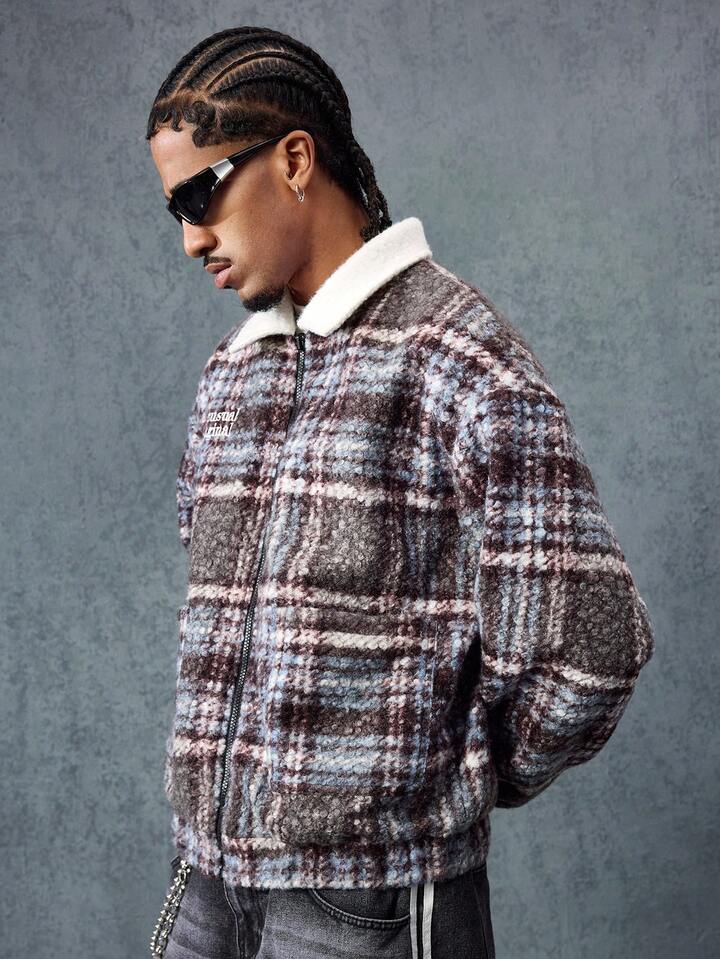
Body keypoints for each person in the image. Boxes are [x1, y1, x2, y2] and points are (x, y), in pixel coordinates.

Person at [146, 26, 655, 959]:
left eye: (199, 195)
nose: (189, 238)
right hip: (207, 890)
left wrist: (444, 774)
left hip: (366, 905)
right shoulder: (231, 376)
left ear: (294, 160)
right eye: (172, 207)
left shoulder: (458, 361)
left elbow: (592, 642)